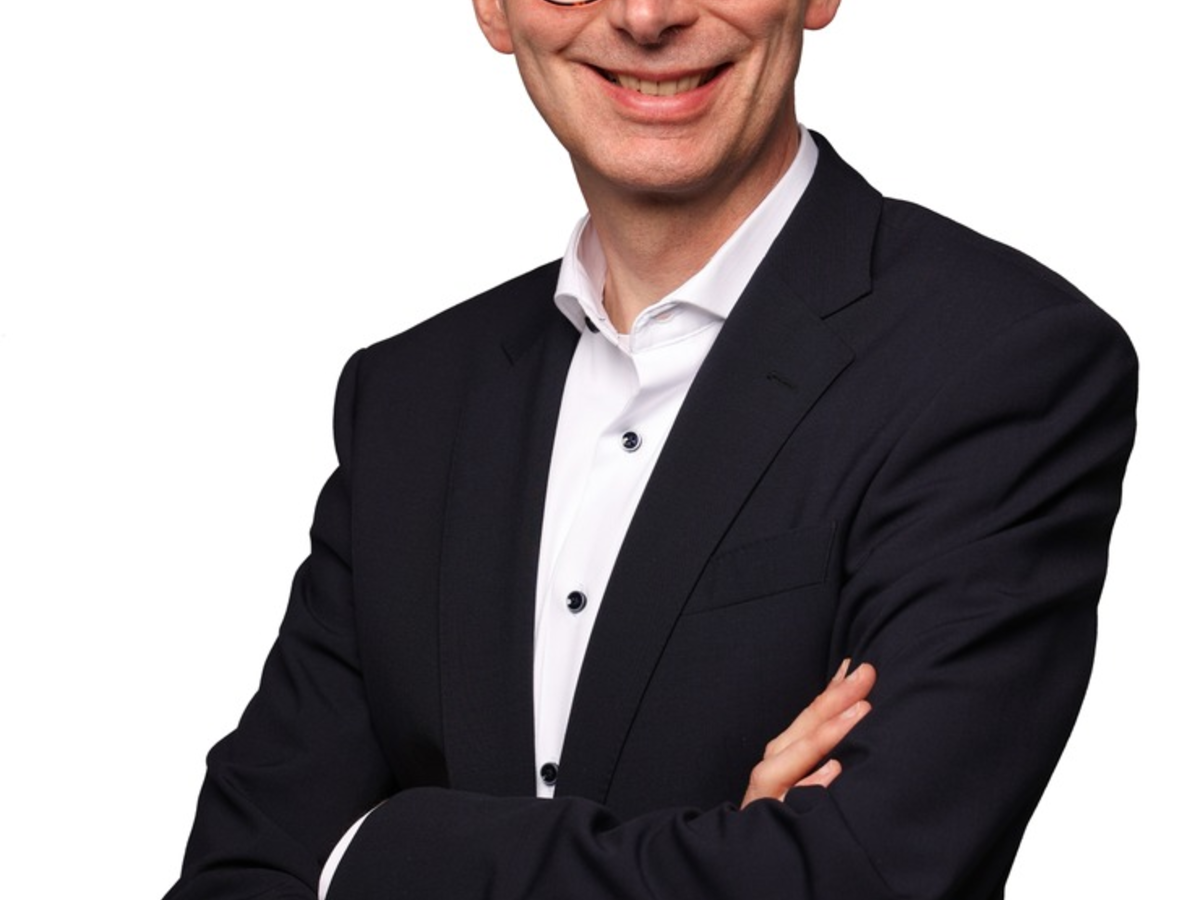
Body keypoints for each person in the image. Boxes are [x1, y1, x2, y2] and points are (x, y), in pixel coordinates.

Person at [165, 0, 1137, 897]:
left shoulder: (1001, 364)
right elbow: (235, 876)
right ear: (494, 9)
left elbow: (862, 876)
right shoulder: (409, 401)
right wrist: (734, 851)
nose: (645, 16)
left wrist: (374, 854)